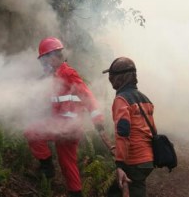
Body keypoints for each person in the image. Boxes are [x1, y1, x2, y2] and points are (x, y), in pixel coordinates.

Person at [24, 37, 110, 197]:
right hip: (68, 128)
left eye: (44, 59)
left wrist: (98, 121)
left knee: (31, 132)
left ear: (53, 56)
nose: (43, 64)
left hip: (66, 127)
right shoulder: (55, 76)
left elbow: (88, 96)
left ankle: (47, 168)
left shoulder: (68, 73)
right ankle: (75, 193)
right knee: (68, 165)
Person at [103, 57, 155, 197]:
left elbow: (123, 134)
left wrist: (120, 165)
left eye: (112, 76)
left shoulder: (122, 100)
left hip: (134, 161)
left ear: (120, 77)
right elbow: (151, 130)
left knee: (130, 190)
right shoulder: (145, 99)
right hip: (148, 160)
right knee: (116, 192)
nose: (111, 79)